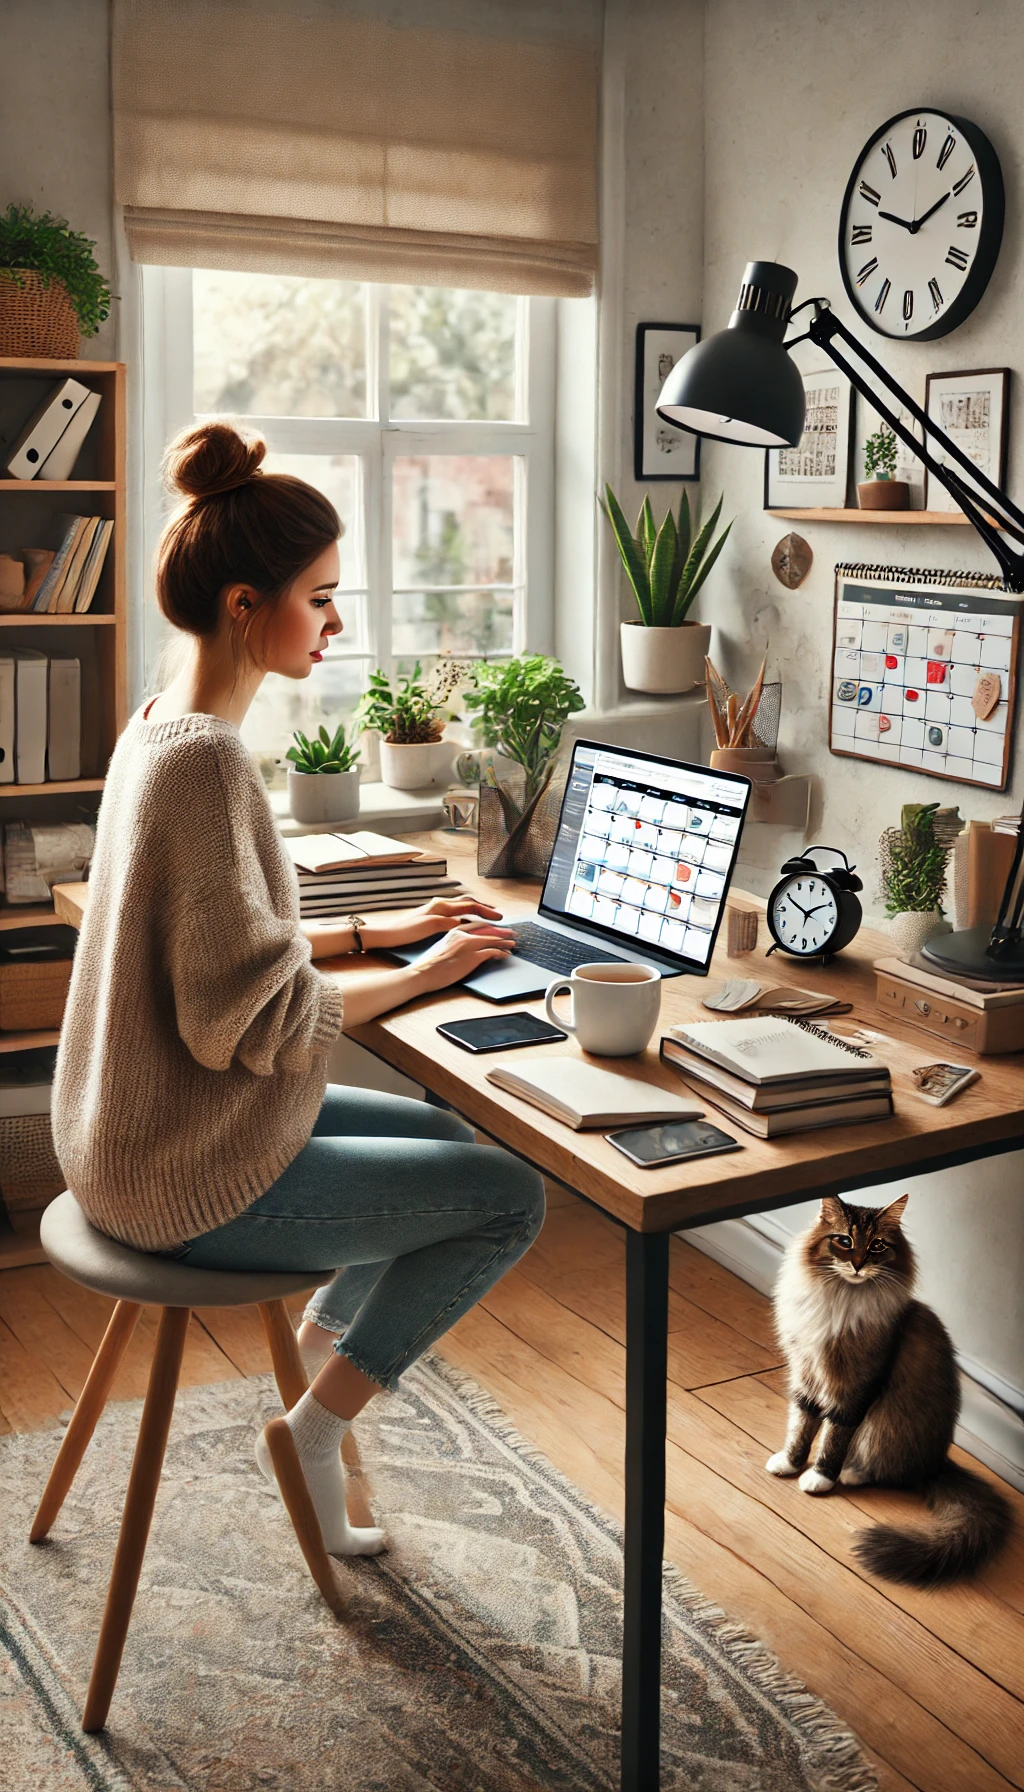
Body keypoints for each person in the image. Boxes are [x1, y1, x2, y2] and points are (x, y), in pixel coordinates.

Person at [51, 419, 546, 1558]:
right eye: (319, 599)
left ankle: (326, 1349)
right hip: (179, 1171)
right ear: (244, 603)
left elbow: (225, 943)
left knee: (440, 1131)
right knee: (510, 1199)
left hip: (129, 1132)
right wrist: (430, 972)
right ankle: (316, 1428)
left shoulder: (157, 724)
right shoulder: (208, 761)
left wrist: (383, 927)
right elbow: (253, 1022)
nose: (336, 625)